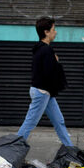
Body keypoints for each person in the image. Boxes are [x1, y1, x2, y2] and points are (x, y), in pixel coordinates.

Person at [16, 16, 73, 147]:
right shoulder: (46, 50)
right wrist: (56, 63)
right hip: (42, 92)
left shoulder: (40, 48)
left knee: (59, 121)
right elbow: (49, 74)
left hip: (45, 92)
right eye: (54, 29)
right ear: (46, 32)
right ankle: (13, 149)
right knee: (30, 123)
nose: (56, 32)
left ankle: (70, 149)